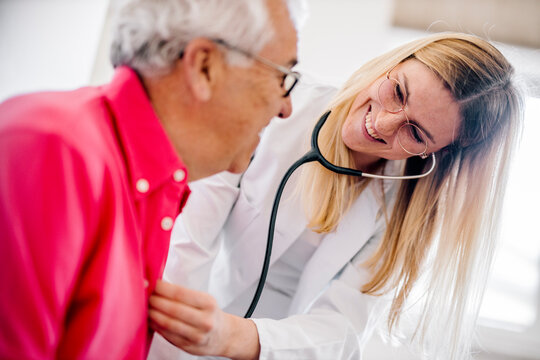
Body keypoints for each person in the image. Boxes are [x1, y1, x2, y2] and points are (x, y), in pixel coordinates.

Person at [147, 32, 523, 360]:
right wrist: (177, 340)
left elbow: (342, 330)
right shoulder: (281, 107)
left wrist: (231, 338)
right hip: (167, 323)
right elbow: (188, 235)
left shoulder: (405, 213)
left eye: (416, 133)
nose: (383, 124)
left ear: (435, 153)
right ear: (391, 63)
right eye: (397, 92)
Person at [0, 0, 304, 358]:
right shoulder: (51, 148)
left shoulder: (156, 187)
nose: (286, 108)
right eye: (281, 76)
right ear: (205, 67)